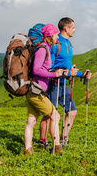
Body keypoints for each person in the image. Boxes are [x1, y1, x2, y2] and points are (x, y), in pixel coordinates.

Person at [39, 17, 92, 149]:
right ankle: (43, 141)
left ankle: (63, 139)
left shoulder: (68, 44)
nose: (75, 30)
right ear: (66, 28)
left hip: (64, 84)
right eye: (73, 27)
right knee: (49, 115)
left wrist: (82, 74)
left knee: (72, 112)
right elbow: (49, 67)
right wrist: (68, 72)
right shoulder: (55, 44)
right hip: (53, 83)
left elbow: (69, 68)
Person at [23, 24, 74, 155]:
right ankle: (57, 148)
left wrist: (57, 71)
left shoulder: (46, 48)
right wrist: (54, 74)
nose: (57, 36)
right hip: (36, 91)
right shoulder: (43, 49)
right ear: (50, 36)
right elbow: (36, 69)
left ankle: (28, 150)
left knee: (31, 121)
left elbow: (43, 69)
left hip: (35, 90)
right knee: (55, 115)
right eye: (55, 34)